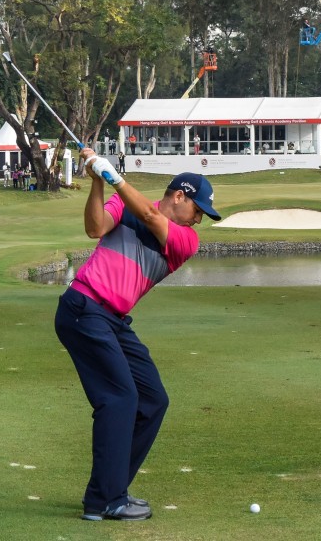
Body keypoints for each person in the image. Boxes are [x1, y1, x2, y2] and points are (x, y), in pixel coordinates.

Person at [55, 148, 221, 522]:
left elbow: (148, 214)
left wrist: (112, 176)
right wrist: (98, 181)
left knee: (152, 400)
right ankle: (106, 499)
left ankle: (109, 489)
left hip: (111, 319)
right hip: (84, 308)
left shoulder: (185, 241)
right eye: (198, 211)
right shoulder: (123, 204)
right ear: (179, 196)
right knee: (119, 398)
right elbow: (95, 229)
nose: (199, 220)